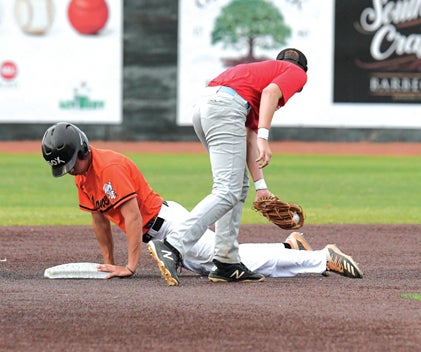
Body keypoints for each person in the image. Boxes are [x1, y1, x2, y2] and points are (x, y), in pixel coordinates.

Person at [41, 122, 363, 282]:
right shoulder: (82, 177)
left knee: (231, 263)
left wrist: (129, 267)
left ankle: (323, 258)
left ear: (83, 150)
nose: (70, 172)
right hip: (161, 234)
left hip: (169, 228)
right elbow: (99, 219)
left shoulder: (109, 167)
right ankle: (290, 249)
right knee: (220, 266)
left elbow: (133, 218)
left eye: (71, 164)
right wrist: (109, 261)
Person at [148, 48, 312, 285]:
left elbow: (247, 137)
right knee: (227, 190)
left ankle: (226, 261)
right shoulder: (295, 72)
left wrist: (261, 187)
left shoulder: (255, 75)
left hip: (207, 107)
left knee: (237, 187)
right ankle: (173, 245)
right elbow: (271, 92)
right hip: (225, 109)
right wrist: (265, 137)